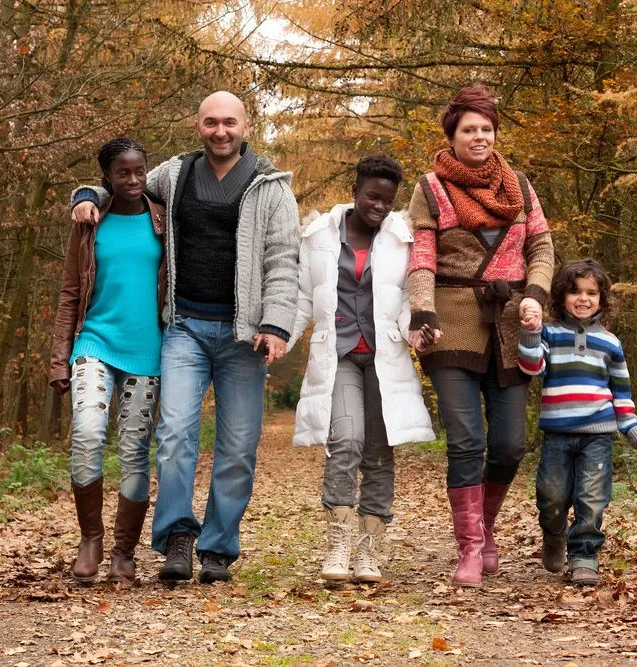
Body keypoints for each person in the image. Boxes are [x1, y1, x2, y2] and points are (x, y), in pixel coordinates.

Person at [71, 91, 300, 584]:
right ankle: (176, 536)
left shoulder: (271, 185)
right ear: (199, 126)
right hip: (184, 329)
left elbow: (283, 260)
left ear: (245, 126)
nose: (221, 131)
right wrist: (84, 196)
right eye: (212, 123)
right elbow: (121, 186)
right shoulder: (173, 175)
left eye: (230, 123)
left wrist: (276, 324)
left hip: (245, 337)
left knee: (239, 446)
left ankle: (217, 546)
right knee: (174, 436)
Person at [405, 83, 555, 587]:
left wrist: (535, 292)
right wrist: (422, 312)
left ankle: (484, 527)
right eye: (469, 129)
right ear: (452, 134)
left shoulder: (520, 186)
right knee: (467, 439)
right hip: (450, 323)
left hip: (513, 323)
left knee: (510, 444)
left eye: (486, 128)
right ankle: (470, 547)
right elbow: (421, 257)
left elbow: (542, 246)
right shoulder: (430, 187)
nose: (479, 137)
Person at [288, 155, 435, 583]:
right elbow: (302, 297)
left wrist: (417, 331)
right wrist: (280, 337)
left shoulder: (402, 240)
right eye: (372, 197)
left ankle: (368, 548)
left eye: (388, 201)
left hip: (385, 358)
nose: (380, 207)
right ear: (354, 192)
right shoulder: (317, 236)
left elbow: (410, 298)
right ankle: (337, 540)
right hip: (339, 356)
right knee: (347, 438)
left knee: (379, 451)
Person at [49, 137, 167, 584]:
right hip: (94, 344)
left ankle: (123, 553)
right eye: (123, 172)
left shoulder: (162, 219)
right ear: (107, 177)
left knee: (135, 451)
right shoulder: (89, 224)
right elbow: (69, 293)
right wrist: (60, 358)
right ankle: (91, 539)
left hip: (146, 352)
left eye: (140, 171)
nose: (134, 180)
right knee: (86, 432)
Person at [518, 258, 637, 586]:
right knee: (551, 495)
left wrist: (630, 425)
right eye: (575, 291)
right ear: (561, 296)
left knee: (591, 499)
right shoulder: (549, 332)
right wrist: (531, 332)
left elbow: (620, 389)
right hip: (558, 433)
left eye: (592, 292)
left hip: (598, 434)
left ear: (602, 299)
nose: (583, 298)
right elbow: (533, 368)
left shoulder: (610, 342)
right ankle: (554, 535)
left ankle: (584, 555)